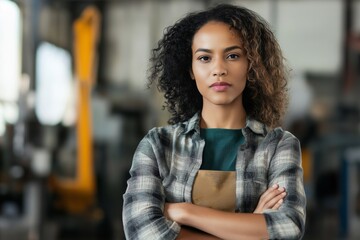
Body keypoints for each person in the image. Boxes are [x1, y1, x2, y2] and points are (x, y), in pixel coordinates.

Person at [123, 3, 306, 240]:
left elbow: (288, 229)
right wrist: (251, 229)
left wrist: (184, 212)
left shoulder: (278, 146)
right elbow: (142, 231)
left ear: (251, 65)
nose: (219, 69)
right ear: (190, 69)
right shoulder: (159, 145)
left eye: (232, 56)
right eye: (204, 58)